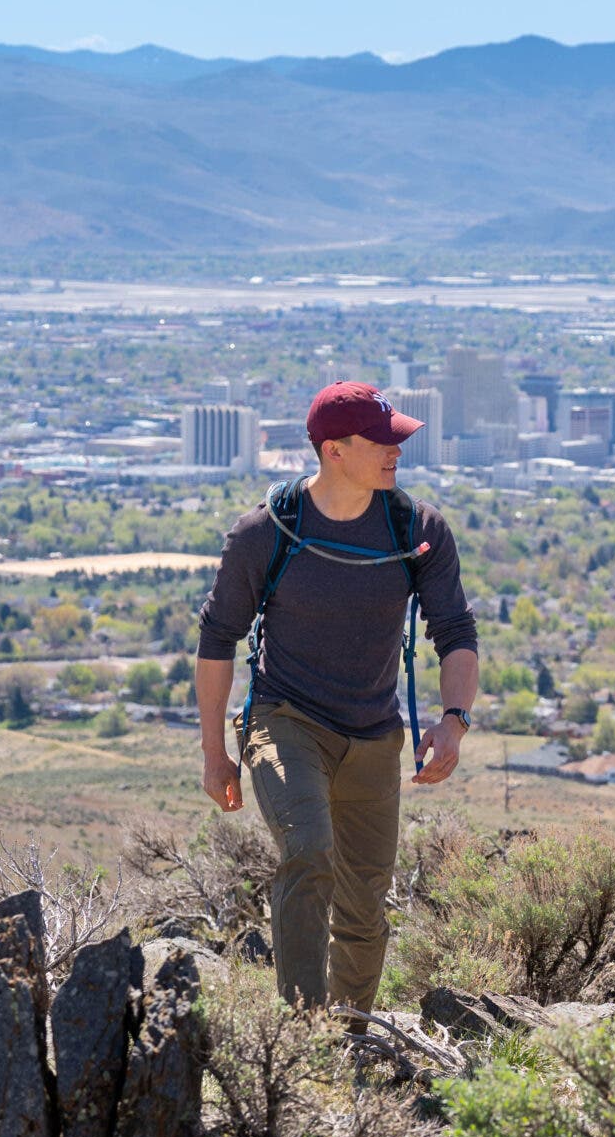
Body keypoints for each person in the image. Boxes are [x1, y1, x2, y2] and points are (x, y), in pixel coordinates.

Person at [196, 381, 480, 1017]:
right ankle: (300, 1034)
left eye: (395, 439)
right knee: (308, 851)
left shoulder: (416, 529)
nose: (396, 451)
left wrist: (454, 721)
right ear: (334, 451)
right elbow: (217, 639)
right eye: (380, 442)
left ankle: (347, 1036)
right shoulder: (266, 533)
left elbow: (456, 631)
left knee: (363, 905)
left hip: (374, 736)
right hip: (284, 719)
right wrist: (215, 754)